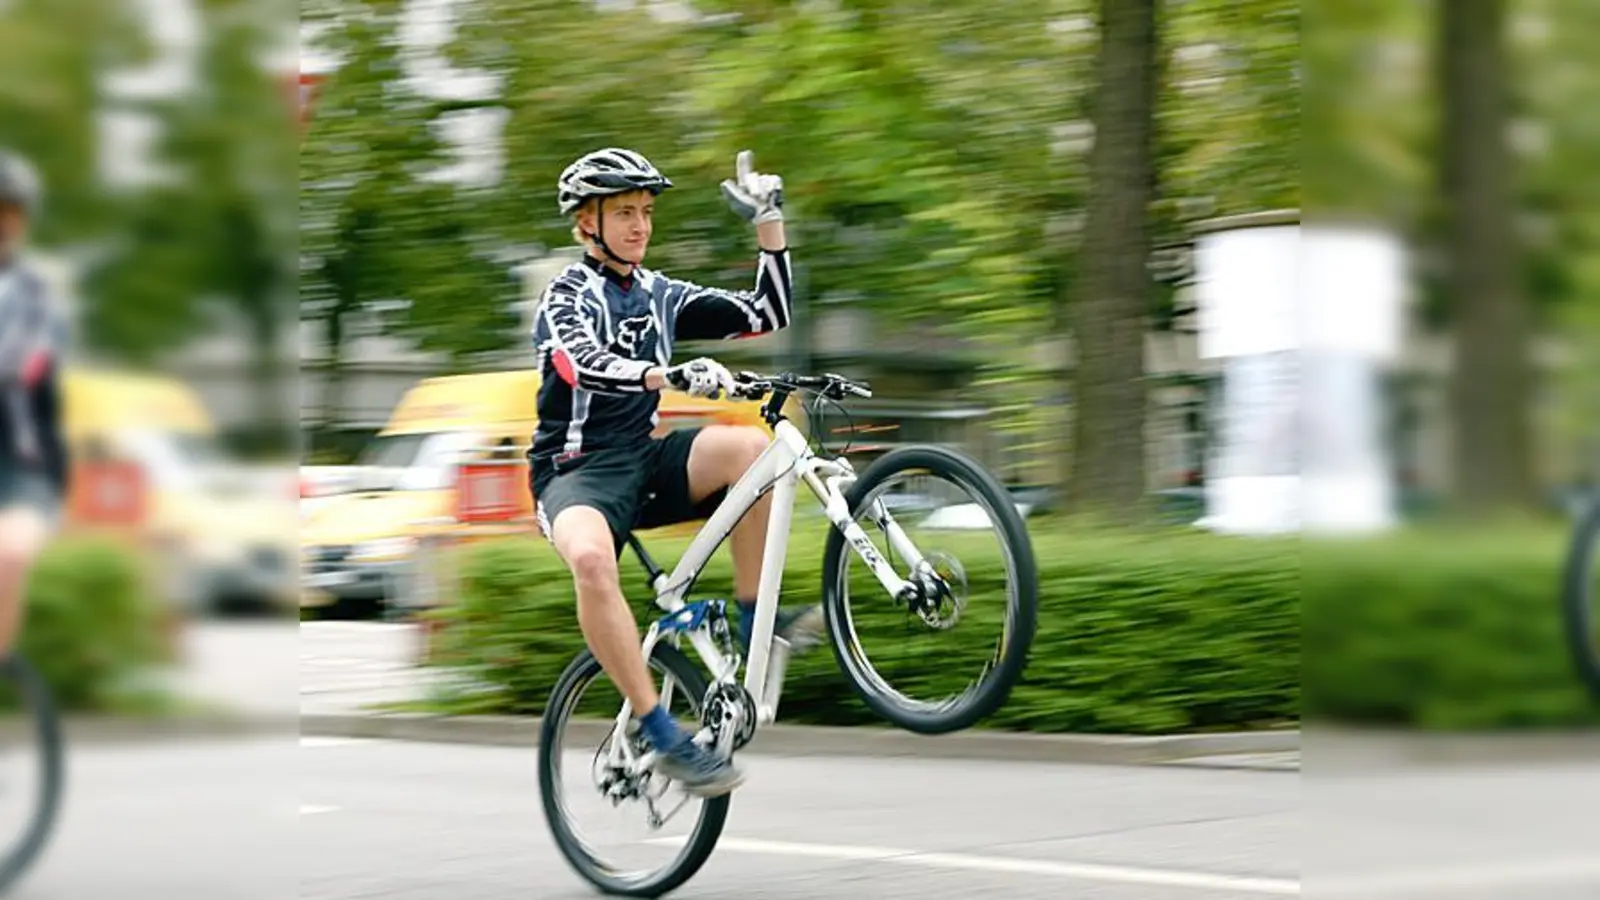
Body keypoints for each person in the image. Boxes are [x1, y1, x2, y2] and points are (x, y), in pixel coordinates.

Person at [529, 147, 821, 797]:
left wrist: (769, 219)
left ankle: (756, 624)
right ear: (586, 223)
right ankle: (661, 732)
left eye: (646, 212)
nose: (639, 225)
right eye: (624, 213)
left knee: (751, 451)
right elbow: (583, 364)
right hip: (574, 471)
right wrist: (665, 374)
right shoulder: (565, 295)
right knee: (593, 563)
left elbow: (767, 314)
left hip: (645, 456)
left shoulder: (661, 293)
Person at [0, 149, 70, 662]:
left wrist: (56, 486)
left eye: (13, 213)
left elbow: (47, 403)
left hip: (19, 468)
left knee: (10, 554)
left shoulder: (36, 298)